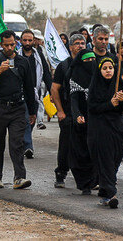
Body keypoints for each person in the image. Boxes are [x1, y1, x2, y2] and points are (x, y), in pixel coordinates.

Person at [0, 30, 37, 190]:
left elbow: (28, 87)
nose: (9, 47)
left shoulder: (22, 62)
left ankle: (19, 177)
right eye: (6, 45)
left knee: (17, 143)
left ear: (16, 43)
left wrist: (32, 112)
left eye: (12, 44)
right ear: (1, 44)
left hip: (18, 108)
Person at [87, 57, 123, 208]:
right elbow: (92, 107)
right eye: (105, 68)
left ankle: (105, 190)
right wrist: (109, 104)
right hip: (101, 130)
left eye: (110, 68)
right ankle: (110, 194)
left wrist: (122, 99)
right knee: (105, 162)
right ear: (100, 71)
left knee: (113, 163)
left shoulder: (119, 85)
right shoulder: (95, 86)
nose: (108, 71)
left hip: (118, 131)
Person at [51, 33, 86, 189]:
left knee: (86, 145)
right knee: (66, 145)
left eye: (82, 43)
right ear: (70, 47)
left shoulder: (90, 63)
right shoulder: (64, 66)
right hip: (68, 112)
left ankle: (87, 177)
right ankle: (61, 173)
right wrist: (60, 111)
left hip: (86, 113)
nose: (80, 46)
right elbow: (55, 89)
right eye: (77, 43)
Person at [18, 29, 53, 159]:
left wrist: (52, 90)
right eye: (25, 40)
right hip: (20, 93)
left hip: (35, 92)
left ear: (34, 41)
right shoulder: (17, 56)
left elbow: (46, 74)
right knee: (26, 119)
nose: (27, 42)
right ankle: (28, 146)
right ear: (21, 41)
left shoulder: (38, 56)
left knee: (31, 120)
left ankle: (24, 141)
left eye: (30, 40)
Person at [69, 49, 99, 194]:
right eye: (87, 61)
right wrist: (77, 115)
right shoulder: (75, 77)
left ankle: (96, 181)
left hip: (97, 120)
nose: (91, 64)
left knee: (97, 151)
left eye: (93, 60)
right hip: (81, 122)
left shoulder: (100, 77)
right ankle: (84, 183)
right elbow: (73, 100)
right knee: (80, 152)